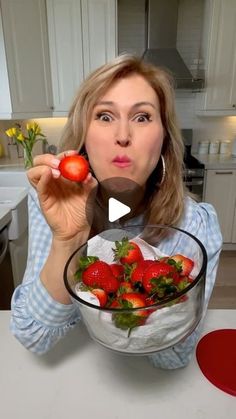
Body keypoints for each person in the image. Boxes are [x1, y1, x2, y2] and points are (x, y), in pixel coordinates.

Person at [10, 54, 222, 369]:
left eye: (142, 117)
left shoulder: (195, 225)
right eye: (105, 116)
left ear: (163, 139)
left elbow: (173, 356)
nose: (122, 135)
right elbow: (35, 337)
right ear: (84, 136)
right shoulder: (53, 198)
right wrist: (67, 241)